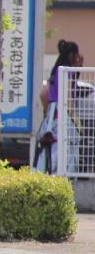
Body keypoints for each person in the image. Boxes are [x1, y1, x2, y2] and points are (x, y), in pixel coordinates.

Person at [36, 40, 84, 173]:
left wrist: (48, 112)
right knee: (65, 155)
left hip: (52, 116)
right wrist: (78, 124)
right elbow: (68, 99)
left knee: (49, 154)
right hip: (64, 117)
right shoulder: (67, 71)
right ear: (73, 55)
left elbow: (43, 94)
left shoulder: (55, 70)